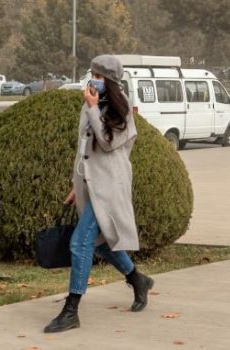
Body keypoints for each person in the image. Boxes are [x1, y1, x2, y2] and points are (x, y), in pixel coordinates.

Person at [44, 55, 153, 334]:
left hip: (109, 187)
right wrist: (76, 186)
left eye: (99, 76)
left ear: (112, 82)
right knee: (102, 243)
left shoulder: (123, 109)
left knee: (81, 243)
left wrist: (93, 109)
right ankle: (137, 279)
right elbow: (85, 149)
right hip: (90, 184)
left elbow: (106, 143)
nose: (93, 80)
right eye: (92, 73)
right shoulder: (91, 103)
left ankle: (71, 310)